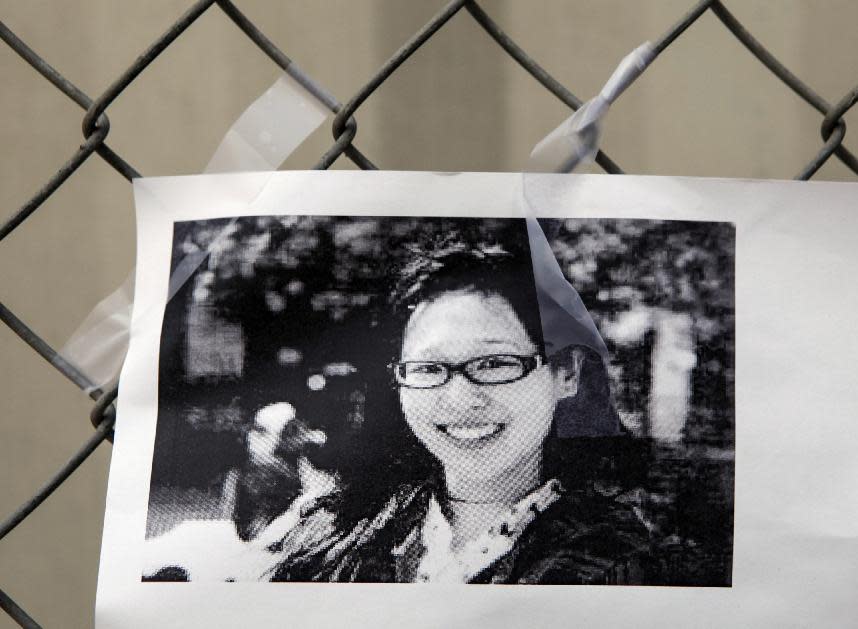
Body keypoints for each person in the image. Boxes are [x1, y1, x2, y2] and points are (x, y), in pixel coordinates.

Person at [267, 236, 656, 584]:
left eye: (493, 363)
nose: (460, 399)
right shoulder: (331, 536)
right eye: (429, 368)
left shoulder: (616, 565)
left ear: (565, 373)